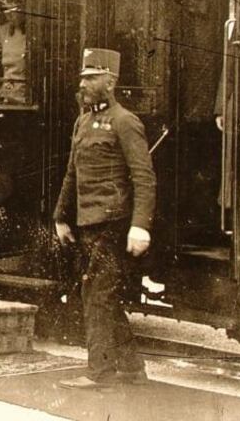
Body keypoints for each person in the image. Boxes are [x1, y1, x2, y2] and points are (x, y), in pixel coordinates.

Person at [53, 47, 156, 389]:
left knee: (96, 295)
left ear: (110, 82)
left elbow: (143, 177)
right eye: (83, 77)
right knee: (100, 295)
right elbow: (72, 172)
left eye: (91, 78)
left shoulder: (125, 122)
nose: (83, 84)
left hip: (114, 224)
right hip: (88, 224)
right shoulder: (82, 121)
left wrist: (140, 226)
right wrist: (61, 217)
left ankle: (101, 374)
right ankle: (132, 368)